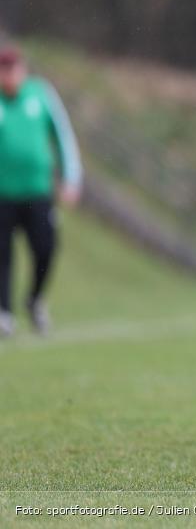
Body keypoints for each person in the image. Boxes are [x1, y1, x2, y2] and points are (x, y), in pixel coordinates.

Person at [0, 44, 82, 338]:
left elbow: (62, 135)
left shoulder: (41, 94)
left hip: (37, 191)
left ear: (23, 70)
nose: (9, 75)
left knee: (46, 248)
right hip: (3, 194)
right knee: (2, 255)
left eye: (13, 68)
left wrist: (70, 178)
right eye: (3, 70)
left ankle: (35, 299)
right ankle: (4, 313)